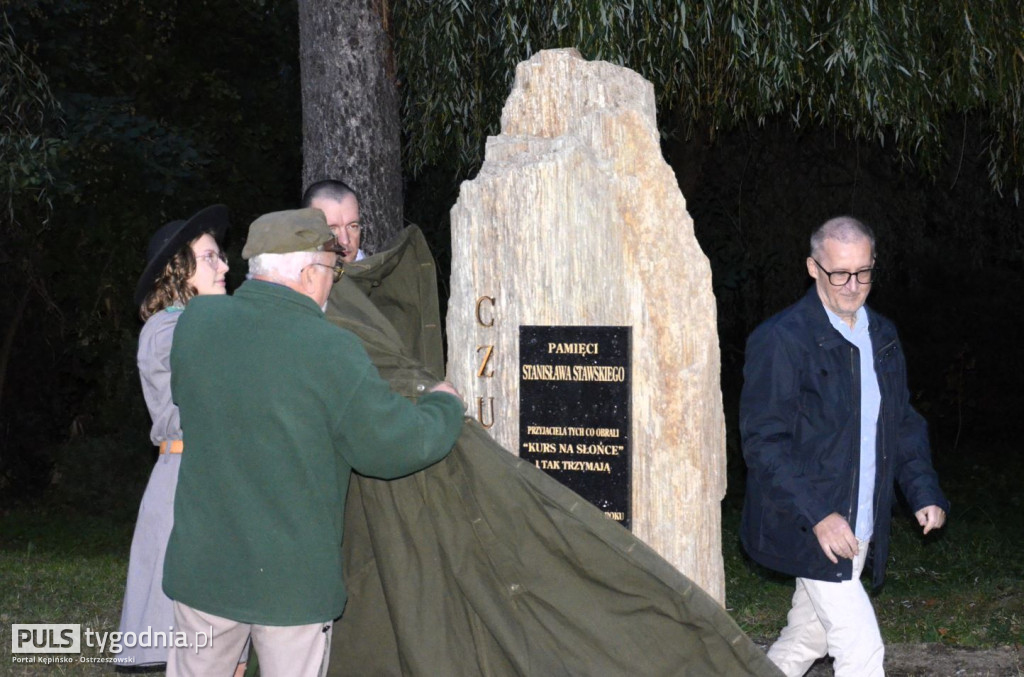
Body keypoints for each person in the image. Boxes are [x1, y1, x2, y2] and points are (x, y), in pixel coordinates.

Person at [161, 208, 465, 677]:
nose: (333, 283)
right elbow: (392, 447)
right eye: (332, 271)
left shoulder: (197, 322)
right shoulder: (330, 348)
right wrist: (444, 405)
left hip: (204, 573)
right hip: (291, 588)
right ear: (308, 274)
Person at [739, 215, 949, 676]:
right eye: (839, 273)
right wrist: (819, 514)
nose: (853, 286)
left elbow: (901, 421)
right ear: (813, 268)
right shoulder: (782, 339)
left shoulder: (882, 335)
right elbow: (763, 443)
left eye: (863, 272)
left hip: (861, 522)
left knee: (807, 636)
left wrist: (923, 490)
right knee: (862, 651)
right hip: (810, 525)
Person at [115, 204, 233, 670]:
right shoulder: (166, 328)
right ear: (177, 270)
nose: (225, 266)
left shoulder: (208, 323)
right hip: (184, 484)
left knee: (221, 634)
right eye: (210, 258)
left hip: (215, 480)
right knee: (178, 635)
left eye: (221, 256)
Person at [301, 179, 365, 263]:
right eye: (331, 229)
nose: (345, 241)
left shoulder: (375, 269)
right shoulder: (288, 269)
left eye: (353, 226)